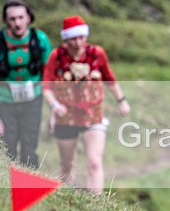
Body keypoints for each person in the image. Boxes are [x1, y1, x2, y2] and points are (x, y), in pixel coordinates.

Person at [42, 15, 130, 193]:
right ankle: (66, 197)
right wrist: (54, 105)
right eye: (73, 38)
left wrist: (122, 101)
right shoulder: (56, 56)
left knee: (94, 162)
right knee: (67, 164)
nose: (78, 42)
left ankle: (97, 203)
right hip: (66, 115)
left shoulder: (97, 54)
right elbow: (47, 87)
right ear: (66, 39)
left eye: (81, 37)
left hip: (93, 113)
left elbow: (109, 79)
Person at [0, 0, 53, 168]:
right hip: (3, 102)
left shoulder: (40, 40)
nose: (17, 23)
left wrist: (54, 107)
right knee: (6, 148)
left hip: (32, 102)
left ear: (28, 18)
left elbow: (49, 76)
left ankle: (29, 188)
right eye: (12, 19)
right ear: (6, 20)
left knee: (29, 149)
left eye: (20, 17)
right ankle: (4, 187)